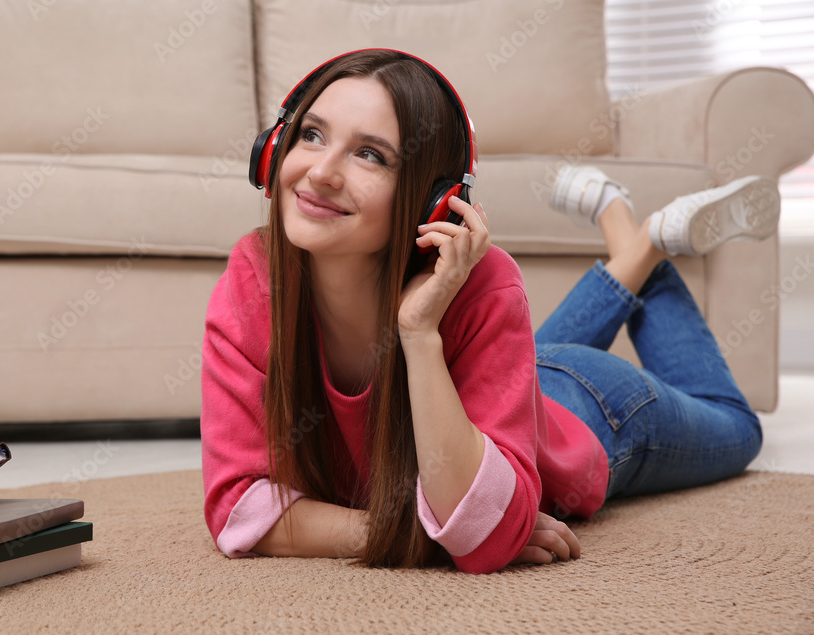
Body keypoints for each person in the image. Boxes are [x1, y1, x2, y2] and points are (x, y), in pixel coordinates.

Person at [200, 49, 772, 574]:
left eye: (370, 154)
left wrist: (420, 331)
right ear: (274, 148)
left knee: (738, 430)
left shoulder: (485, 282)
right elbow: (237, 510)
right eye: (312, 135)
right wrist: (412, 533)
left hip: (591, 406)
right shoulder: (254, 276)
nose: (322, 172)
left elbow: (481, 538)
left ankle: (647, 247)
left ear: (433, 201)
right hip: (501, 390)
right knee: (520, 365)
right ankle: (627, 236)